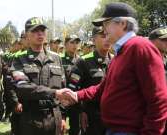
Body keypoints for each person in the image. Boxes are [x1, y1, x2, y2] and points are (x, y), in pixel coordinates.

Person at [56, 2, 167, 135]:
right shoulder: (119, 55)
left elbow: (158, 99)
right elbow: (102, 88)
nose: (103, 29)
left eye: (106, 23)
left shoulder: (140, 47)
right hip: (114, 129)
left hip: (130, 130)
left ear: (123, 24)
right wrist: (76, 95)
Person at [4, 17, 66, 135]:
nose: (40, 33)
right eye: (35, 31)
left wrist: (62, 116)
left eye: (42, 30)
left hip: (54, 117)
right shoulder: (19, 59)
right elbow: (22, 87)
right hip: (30, 117)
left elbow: (63, 86)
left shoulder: (56, 58)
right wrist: (53, 93)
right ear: (27, 35)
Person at [68, 26, 113, 135]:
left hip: (113, 116)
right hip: (91, 117)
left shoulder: (116, 59)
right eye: (103, 36)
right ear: (93, 40)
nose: (107, 39)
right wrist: (81, 112)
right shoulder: (83, 61)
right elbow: (72, 89)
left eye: (108, 35)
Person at [60, 35, 81, 135]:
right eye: (72, 42)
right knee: (59, 128)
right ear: (65, 44)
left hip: (76, 101)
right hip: (61, 100)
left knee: (76, 129)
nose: (75, 45)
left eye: (76, 43)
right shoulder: (59, 60)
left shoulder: (81, 61)